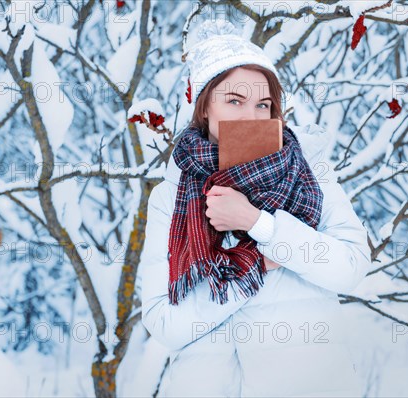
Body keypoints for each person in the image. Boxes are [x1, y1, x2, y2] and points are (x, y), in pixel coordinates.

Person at [140, 18, 371, 397]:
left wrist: (259, 224)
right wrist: (256, 265)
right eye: (234, 101)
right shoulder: (172, 195)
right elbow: (164, 323)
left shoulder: (308, 172)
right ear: (203, 108)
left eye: (263, 104)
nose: (251, 116)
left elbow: (350, 267)